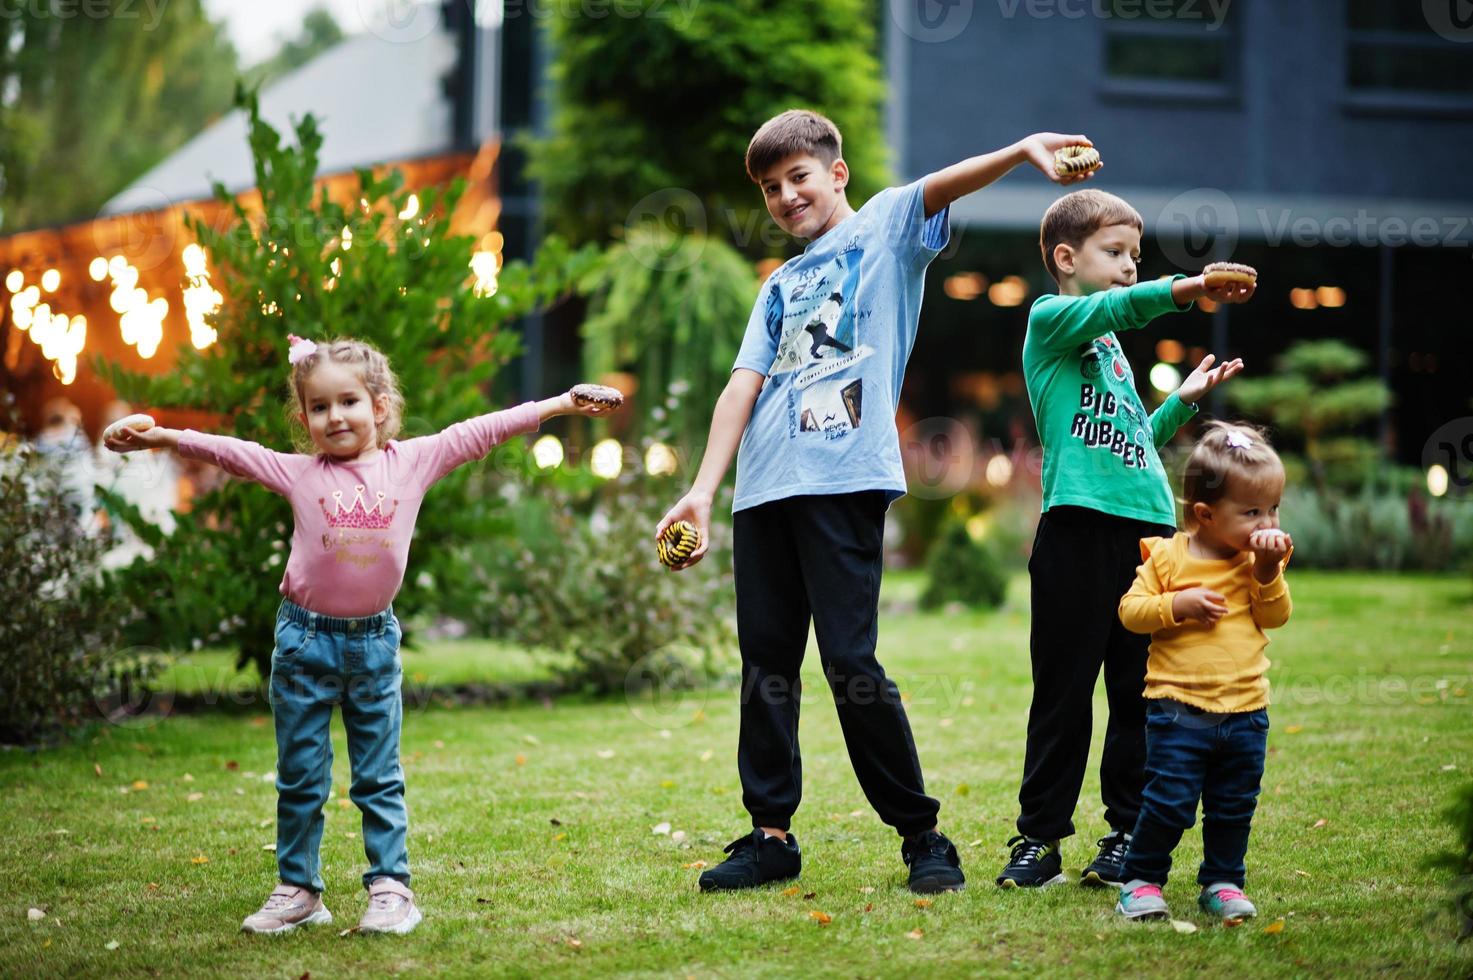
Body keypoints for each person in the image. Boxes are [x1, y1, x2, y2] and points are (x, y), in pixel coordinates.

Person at [656, 108, 1098, 894]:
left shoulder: (887, 228)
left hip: (842, 480)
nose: (785, 196)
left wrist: (1022, 150)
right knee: (766, 666)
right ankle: (769, 836)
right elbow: (741, 386)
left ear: (836, 173)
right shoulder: (779, 285)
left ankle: (922, 835)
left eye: (797, 177)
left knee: (849, 660)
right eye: (769, 187)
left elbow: (943, 183)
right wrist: (698, 490)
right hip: (762, 489)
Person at [105, 335, 618, 934]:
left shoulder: (414, 461)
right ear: (304, 420)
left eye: (347, 401)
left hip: (373, 644)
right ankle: (299, 889)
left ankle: (391, 888)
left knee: (378, 776)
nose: (334, 416)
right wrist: (165, 437)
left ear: (378, 405)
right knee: (301, 775)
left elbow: (483, 430)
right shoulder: (299, 473)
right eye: (318, 407)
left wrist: (557, 405)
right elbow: (231, 453)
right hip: (303, 643)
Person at [997, 188, 1254, 889]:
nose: (1128, 268)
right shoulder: (1052, 321)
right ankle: (1039, 840)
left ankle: (1126, 835)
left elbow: (1134, 440)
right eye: (1115, 253)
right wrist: (1187, 288)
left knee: (1137, 693)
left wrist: (1181, 402)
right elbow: (1116, 307)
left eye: (1136, 258)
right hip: (1075, 531)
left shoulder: (1109, 350)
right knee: (1062, 690)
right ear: (1064, 256)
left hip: (1148, 538)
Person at [1113, 422, 1292, 922]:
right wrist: (1177, 604)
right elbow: (1131, 611)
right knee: (1168, 802)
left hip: (1246, 710)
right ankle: (1141, 879)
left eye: (1273, 508)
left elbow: (1275, 616)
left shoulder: (1258, 560)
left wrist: (1266, 573)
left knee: (1234, 806)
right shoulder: (1169, 557)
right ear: (1205, 515)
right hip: (1178, 709)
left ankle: (1223, 880)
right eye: (1252, 511)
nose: (1267, 521)